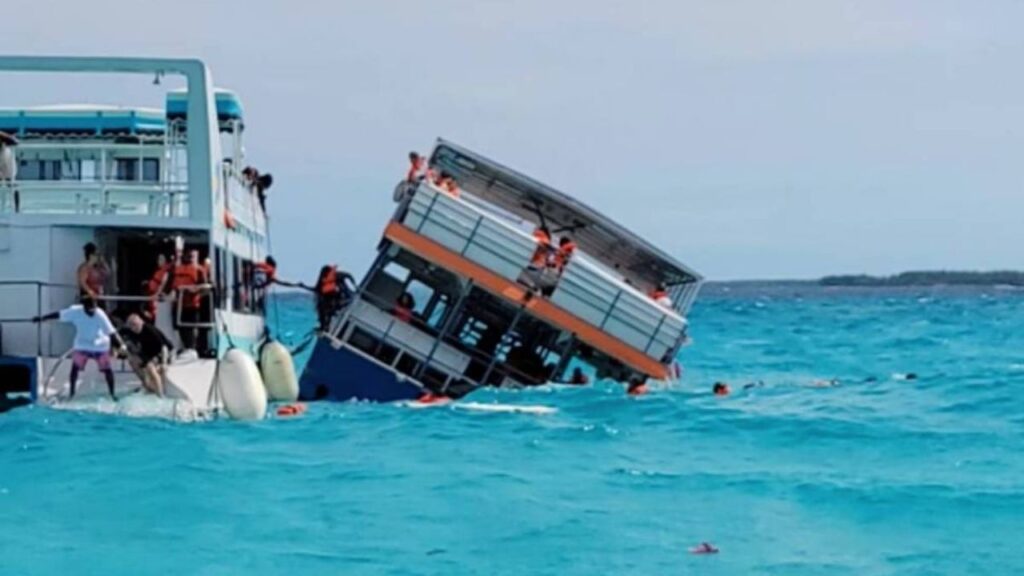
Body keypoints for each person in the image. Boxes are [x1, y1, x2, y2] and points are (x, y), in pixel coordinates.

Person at [32, 297, 127, 400]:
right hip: (82, 345)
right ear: (84, 308)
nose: (92, 312)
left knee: (107, 370)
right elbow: (58, 314)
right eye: (90, 310)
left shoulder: (100, 314)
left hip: (100, 345)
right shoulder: (75, 311)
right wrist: (42, 318)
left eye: (94, 309)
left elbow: (112, 332)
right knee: (75, 369)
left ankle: (112, 394)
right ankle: (72, 394)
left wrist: (121, 345)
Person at [119, 313, 174, 396]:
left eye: (135, 324)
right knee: (132, 361)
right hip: (148, 354)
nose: (134, 328)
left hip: (162, 353)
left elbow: (164, 348)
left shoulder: (149, 330)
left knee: (151, 369)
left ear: (141, 322)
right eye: (131, 326)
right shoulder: (129, 331)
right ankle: (147, 385)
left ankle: (160, 394)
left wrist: (164, 362)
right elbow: (116, 335)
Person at [170, 249, 209, 353]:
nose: (191, 258)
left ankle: (193, 348)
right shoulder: (179, 269)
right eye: (190, 256)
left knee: (192, 327)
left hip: (193, 305)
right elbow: (174, 285)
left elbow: (205, 287)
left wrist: (195, 291)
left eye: (194, 256)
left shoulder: (200, 270)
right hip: (179, 305)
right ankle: (185, 347)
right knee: (180, 327)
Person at [311, 264, 355, 332]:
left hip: (344, 297)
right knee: (323, 307)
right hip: (333, 297)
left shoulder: (337, 275)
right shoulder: (323, 279)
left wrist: (354, 284)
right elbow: (318, 289)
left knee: (329, 308)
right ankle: (323, 326)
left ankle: (325, 326)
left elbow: (349, 275)